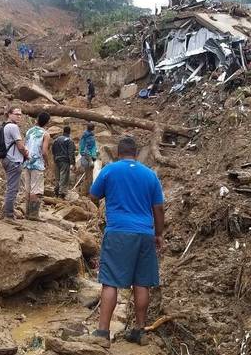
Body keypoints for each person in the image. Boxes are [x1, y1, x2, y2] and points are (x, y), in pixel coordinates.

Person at [81, 136, 165, 349]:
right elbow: (159, 208)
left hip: (118, 232)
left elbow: (92, 195)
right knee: (141, 282)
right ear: (136, 154)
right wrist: (159, 234)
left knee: (110, 281)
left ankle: (102, 332)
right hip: (145, 234)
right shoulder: (150, 175)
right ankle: (139, 330)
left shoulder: (110, 170)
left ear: (118, 153)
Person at [1, 107, 29, 219]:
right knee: (13, 188)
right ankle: (8, 214)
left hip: (7, 158)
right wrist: (27, 155)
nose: (19, 116)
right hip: (13, 160)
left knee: (10, 186)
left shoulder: (4, 126)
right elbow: (20, 146)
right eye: (16, 114)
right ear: (9, 114)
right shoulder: (13, 127)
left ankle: (8, 210)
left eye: (20, 114)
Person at [23, 112, 51, 220]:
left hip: (27, 162)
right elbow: (44, 151)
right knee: (36, 189)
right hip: (37, 163)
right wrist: (47, 162)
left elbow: (25, 145)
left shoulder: (29, 131)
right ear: (47, 122)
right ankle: (34, 215)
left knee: (28, 188)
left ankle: (27, 212)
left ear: (37, 119)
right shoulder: (45, 134)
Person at [52, 126, 75, 199]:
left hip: (57, 160)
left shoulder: (56, 140)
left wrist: (55, 158)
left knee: (57, 176)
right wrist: (72, 163)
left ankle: (56, 191)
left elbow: (53, 150)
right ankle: (61, 193)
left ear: (63, 131)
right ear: (69, 132)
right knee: (64, 176)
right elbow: (71, 153)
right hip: (65, 161)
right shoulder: (69, 140)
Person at [78, 123, 97, 196]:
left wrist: (82, 153)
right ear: (93, 128)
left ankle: (85, 192)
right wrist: (93, 156)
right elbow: (93, 148)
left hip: (85, 156)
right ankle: (89, 192)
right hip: (90, 157)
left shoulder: (84, 135)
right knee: (90, 176)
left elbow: (81, 146)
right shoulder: (91, 137)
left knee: (87, 175)